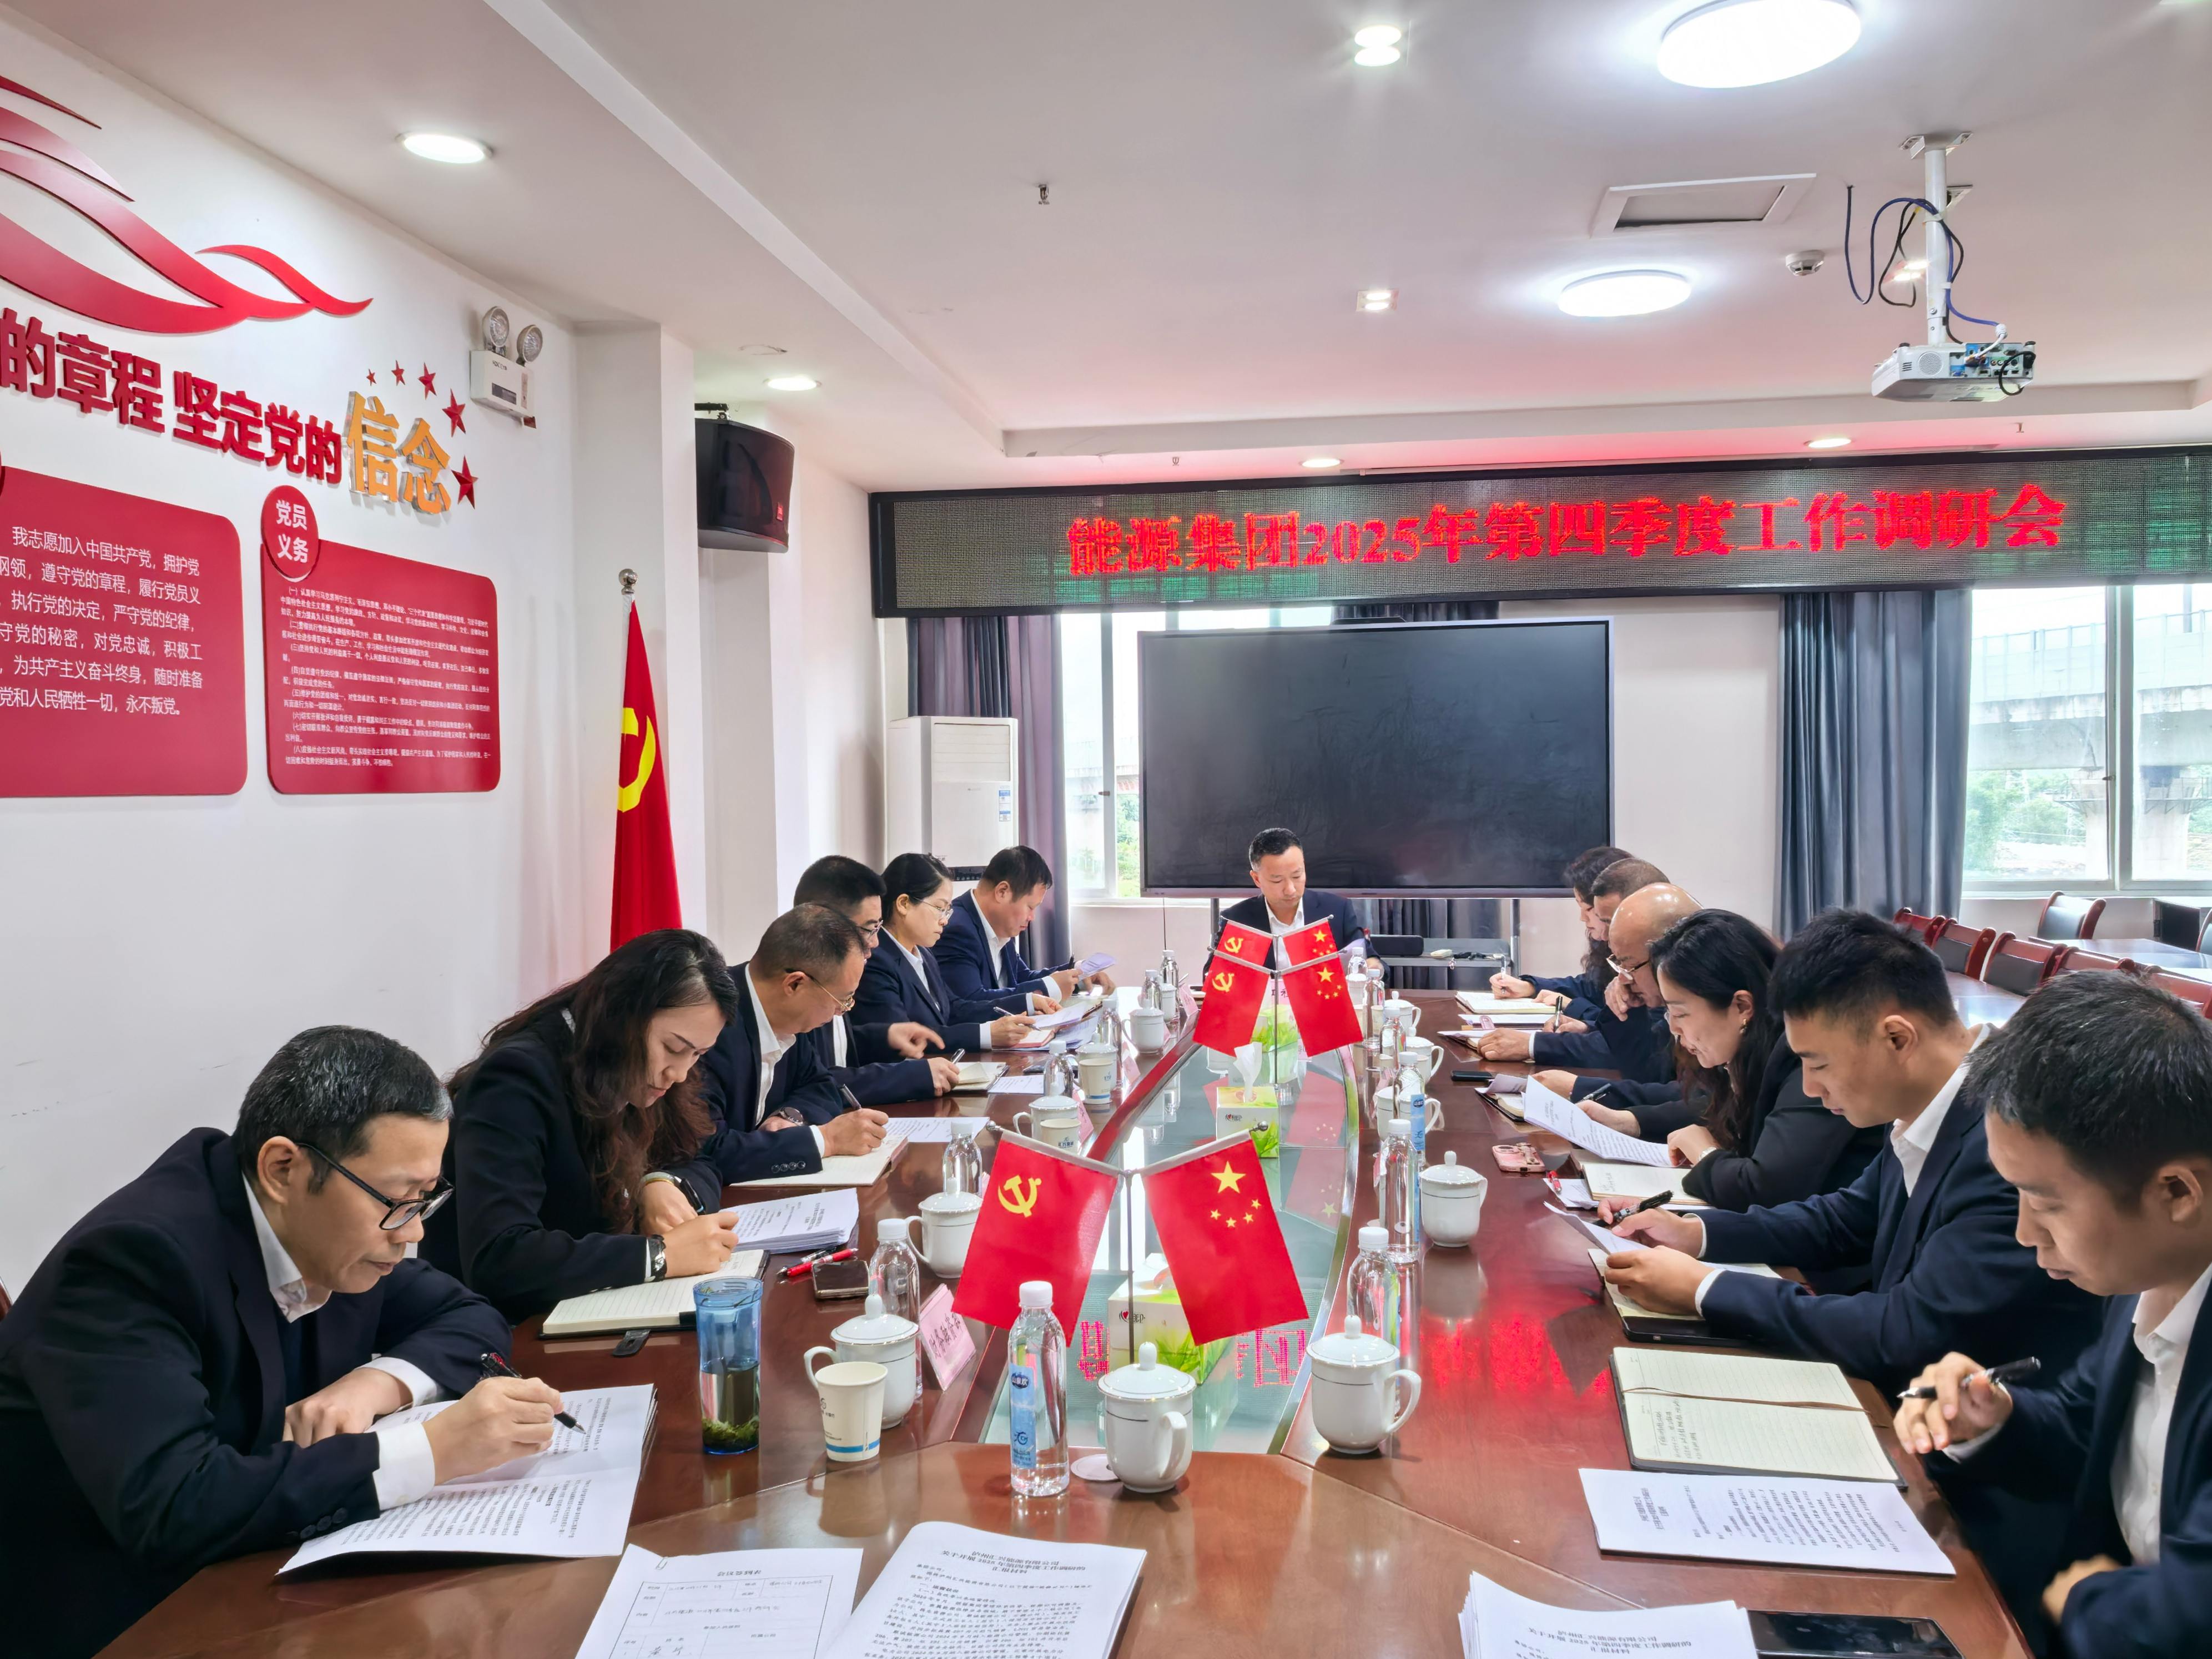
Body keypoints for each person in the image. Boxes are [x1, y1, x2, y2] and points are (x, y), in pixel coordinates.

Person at [0, 1028, 557, 1659]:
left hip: (262, 1573)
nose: (414, 1234)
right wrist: (430, 1449)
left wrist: (378, 1382)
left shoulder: (337, 1231)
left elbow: (469, 1315)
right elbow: (175, 1506)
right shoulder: (134, 1261)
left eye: (425, 1200)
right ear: (283, 1168)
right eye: (399, 1200)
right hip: (125, 1618)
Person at [1601, 909, 2105, 1396]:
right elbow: (1842, 1220)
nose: (1810, 1088)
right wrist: (1695, 1233)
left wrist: (1705, 1289)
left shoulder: (2008, 1141)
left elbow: (1905, 1333)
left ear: (1896, 1038)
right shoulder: (1932, 1100)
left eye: (1818, 1064)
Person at [1894, 971, 2212, 1658]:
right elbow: (2085, 1426)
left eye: (2045, 1203)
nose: (2023, 1233)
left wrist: (2091, 1602)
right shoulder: (2144, 1274)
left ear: (2176, 1192)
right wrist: (1993, 1417)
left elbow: (2194, 1604)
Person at [425, 929, 748, 1320]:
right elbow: (500, 1256)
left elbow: (701, 1154)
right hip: (506, 1327)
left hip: (593, 1307)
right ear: (622, 1015)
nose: (679, 1073)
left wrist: (661, 1182)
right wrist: (659, 1256)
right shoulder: (516, 1079)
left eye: (697, 1054)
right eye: (673, 1048)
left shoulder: (645, 1072)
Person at [1599, 910, 1885, 1234]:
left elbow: (1766, 1190)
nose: (1674, 1029)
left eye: (1680, 1013)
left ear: (1741, 1007)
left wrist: (1705, 1154)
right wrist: (1630, 1120)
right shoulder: (1753, 1050)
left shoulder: (1805, 1056)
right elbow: (1709, 1103)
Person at [698, 904, 892, 1183]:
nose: (842, 1012)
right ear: (795, 985)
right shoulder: (710, 1027)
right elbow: (708, 1150)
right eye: (842, 1000)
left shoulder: (788, 1018)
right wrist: (826, 1140)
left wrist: (791, 1116)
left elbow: (821, 1084)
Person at [1479, 864, 1679, 1090]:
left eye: (1605, 919)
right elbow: (1648, 1061)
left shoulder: (1677, 976)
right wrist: (1587, 1026)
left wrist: (1540, 1046)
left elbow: (1659, 1068)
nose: (1584, 920)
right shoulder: (1637, 964)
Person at [790, 854, 961, 1103]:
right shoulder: (801, 987)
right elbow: (815, 1081)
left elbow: (839, 1047)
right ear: (824, 925)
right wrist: (912, 1076)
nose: (876, 942)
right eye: (870, 929)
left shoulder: (834, 974)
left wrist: (887, 1036)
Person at [856, 851, 1041, 1051]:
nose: (945, 920)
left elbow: (955, 1008)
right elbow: (906, 1040)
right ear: (904, 904)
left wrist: (1025, 1003)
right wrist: (987, 1034)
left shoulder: (924, 953)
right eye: (939, 908)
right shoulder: (876, 960)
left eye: (947, 910)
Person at [936, 845, 1110, 1013]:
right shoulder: (957, 930)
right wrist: (1050, 987)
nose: (1032, 917)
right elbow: (971, 1003)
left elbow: (1021, 978)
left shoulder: (1000, 923)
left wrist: (1077, 974)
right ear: (1002, 892)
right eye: (1030, 907)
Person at [1490, 844, 1633, 1020]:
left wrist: (1572, 1006)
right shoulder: (1605, 944)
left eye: (1588, 909)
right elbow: (1592, 987)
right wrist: (1531, 987)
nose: (1582, 918)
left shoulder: (1641, 954)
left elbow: (1628, 1028)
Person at [1217, 827, 1369, 970]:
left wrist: (1370, 967)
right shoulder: (1236, 921)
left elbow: (1371, 960)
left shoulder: (1337, 910)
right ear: (1257, 879)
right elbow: (1214, 977)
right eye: (1277, 881)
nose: (1290, 890)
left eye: (1297, 876)